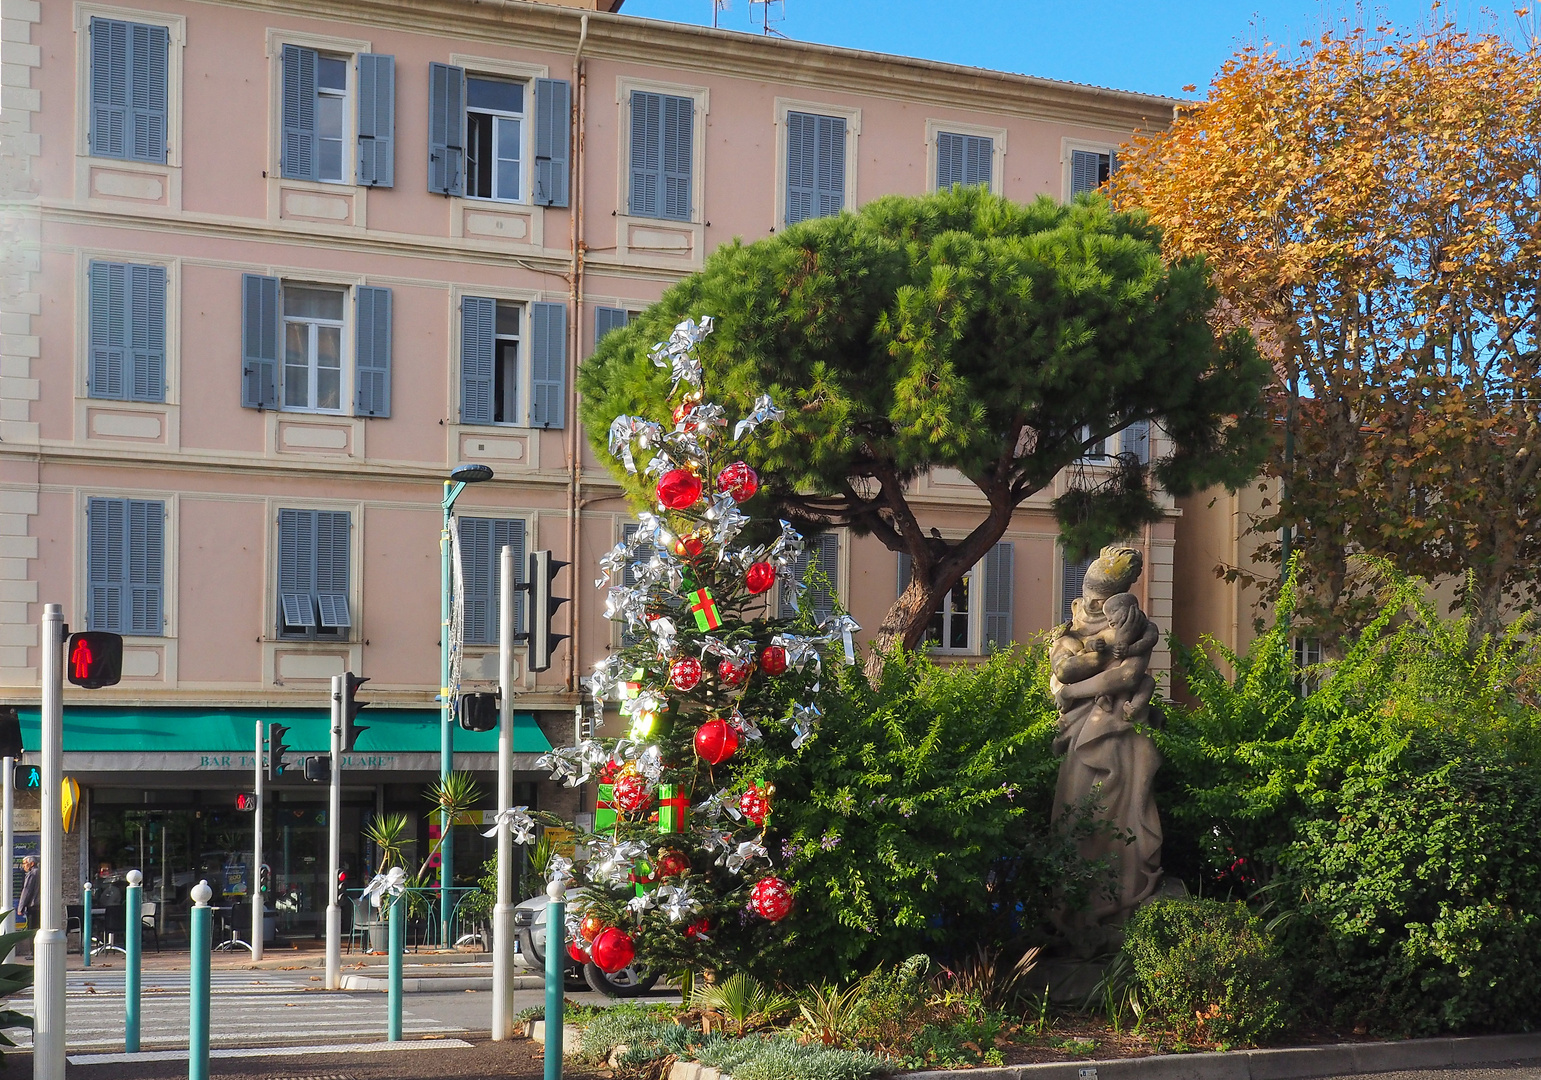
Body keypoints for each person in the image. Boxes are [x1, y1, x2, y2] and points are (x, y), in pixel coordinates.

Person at [16, 856, 38, 957]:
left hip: (33, 906)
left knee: (32, 930)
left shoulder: (32, 874)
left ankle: (33, 952)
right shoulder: (42, 873)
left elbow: (27, 890)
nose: (24, 866)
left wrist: (20, 907)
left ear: (32, 864)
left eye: (25, 863)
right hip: (41, 906)